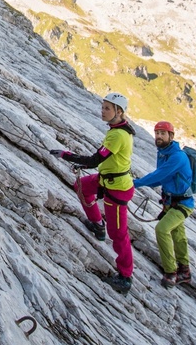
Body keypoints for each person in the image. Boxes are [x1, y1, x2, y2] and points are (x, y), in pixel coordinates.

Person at [50, 92, 136, 294]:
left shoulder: (118, 135)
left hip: (116, 188)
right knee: (81, 187)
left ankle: (125, 277)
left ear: (119, 111)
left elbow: (95, 160)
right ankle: (97, 225)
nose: (103, 111)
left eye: (107, 108)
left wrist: (66, 155)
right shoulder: (118, 129)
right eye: (103, 107)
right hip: (107, 179)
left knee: (118, 233)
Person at [133, 120, 194, 287]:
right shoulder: (163, 153)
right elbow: (163, 178)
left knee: (162, 229)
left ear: (171, 136)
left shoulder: (177, 157)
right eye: (157, 133)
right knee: (178, 234)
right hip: (172, 202)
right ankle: (185, 271)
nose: (158, 136)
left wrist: (135, 183)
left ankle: (171, 272)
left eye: (162, 133)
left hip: (183, 204)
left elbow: (160, 175)